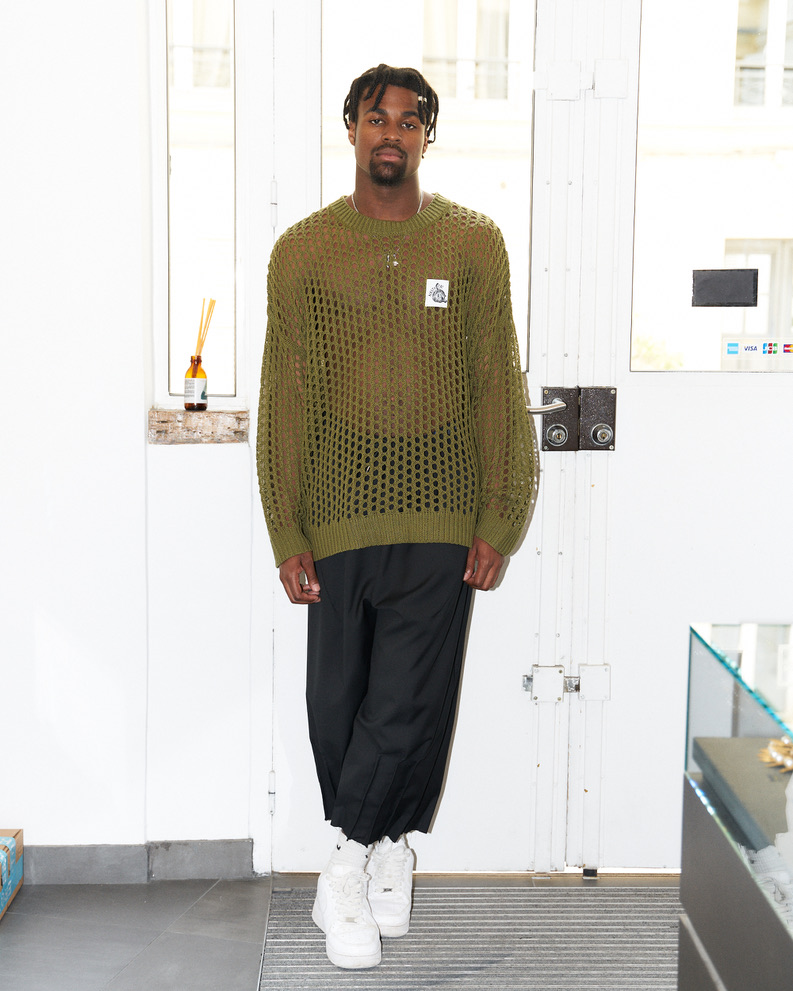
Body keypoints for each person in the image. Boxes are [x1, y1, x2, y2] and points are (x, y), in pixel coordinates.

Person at [257, 63, 538, 970]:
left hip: (442, 509)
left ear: (426, 136)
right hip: (335, 514)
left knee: (409, 696)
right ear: (349, 128)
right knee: (338, 703)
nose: (392, 131)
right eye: (376, 117)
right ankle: (388, 849)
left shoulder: (472, 243)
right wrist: (285, 526)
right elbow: (285, 393)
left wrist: (501, 510)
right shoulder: (302, 252)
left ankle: (341, 865)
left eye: (409, 120)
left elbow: (496, 379)